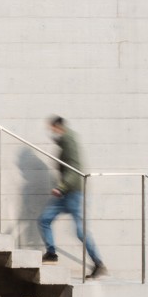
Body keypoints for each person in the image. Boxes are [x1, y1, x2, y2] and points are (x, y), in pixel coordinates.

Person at [38, 116, 107, 278]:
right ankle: (51, 253)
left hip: (74, 192)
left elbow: (75, 168)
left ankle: (98, 264)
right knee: (44, 219)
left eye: (52, 128)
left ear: (58, 126)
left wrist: (62, 187)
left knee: (80, 232)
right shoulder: (64, 141)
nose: (51, 131)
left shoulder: (69, 140)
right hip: (66, 193)